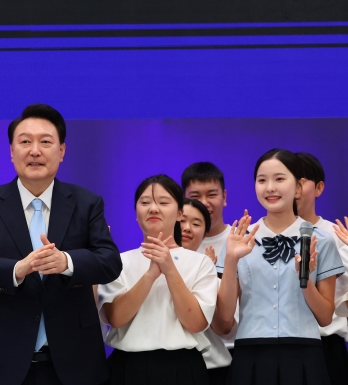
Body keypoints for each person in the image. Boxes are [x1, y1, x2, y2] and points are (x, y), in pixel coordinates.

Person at [0, 103, 122, 385]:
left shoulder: (87, 203)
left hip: (72, 363)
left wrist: (66, 263)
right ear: (11, 151)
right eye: (25, 142)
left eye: (45, 142)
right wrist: (17, 269)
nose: (35, 151)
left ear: (62, 151)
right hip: (1, 359)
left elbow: (110, 261)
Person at [214, 148, 343, 385]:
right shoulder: (238, 240)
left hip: (305, 354)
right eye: (262, 180)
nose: (270, 187)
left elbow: (325, 317)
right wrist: (231, 261)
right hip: (250, 354)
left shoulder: (320, 240)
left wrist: (304, 282)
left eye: (279, 179)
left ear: (297, 187)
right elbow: (223, 320)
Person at [98, 175, 218, 385]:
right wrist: (150, 275)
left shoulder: (201, 263)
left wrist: (169, 268)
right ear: (136, 213)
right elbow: (115, 318)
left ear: (180, 213)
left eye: (163, 202)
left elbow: (196, 323)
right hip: (128, 367)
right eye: (145, 203)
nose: (153, 208)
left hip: (183, 367)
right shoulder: (118, 262)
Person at [295, 152, 348, 384]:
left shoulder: (337, 237)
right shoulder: (263, 235)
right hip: (280, 343)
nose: (293, 189)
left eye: (300, 181)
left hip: (326, 346)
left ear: (319, 188)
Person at [181, 198, 232, 384]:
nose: (187, 228)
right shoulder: (148, 264)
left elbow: (226, 327)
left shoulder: (209, 271)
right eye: (182, 221)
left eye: (196, 224)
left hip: (212, 368)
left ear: (204, 234)